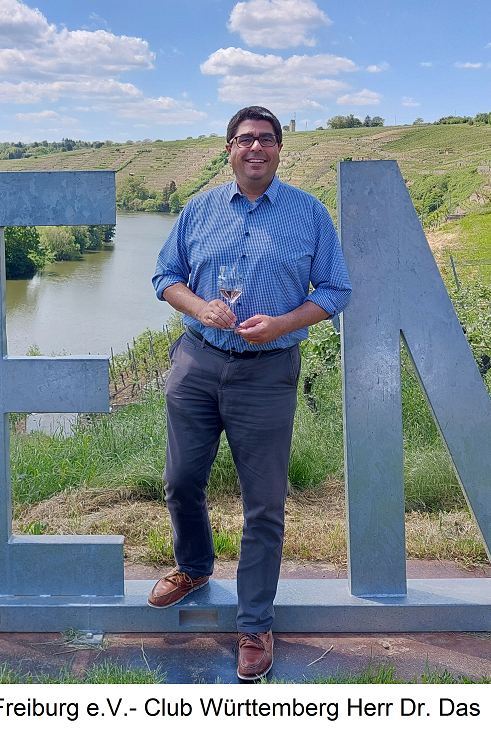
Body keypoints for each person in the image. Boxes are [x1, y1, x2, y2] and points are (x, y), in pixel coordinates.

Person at [150, 105, 352, 680]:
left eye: (265, 140)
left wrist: (284, 323)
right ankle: (193, 567)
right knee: (181, 479)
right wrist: (201, 308)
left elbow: (336, 289)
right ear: (229, 149)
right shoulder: (199, 209)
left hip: (266, 371)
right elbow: (167, 277)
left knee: (263, 503)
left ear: (280, 150)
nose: (255, 148)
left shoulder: (309, 215)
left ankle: (254, 622)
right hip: (196, 360)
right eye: (244, 140)